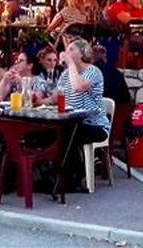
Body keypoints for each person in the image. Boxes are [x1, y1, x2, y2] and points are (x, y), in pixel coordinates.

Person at [58, 38, 110, 189]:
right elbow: (57, 95)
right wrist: (38, 98)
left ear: (82, 53)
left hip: (95, 125)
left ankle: (73, 179)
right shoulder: (66, 74)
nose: (67, 52)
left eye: (71, 49)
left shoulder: (93, 72)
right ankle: (60, 176)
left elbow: (77, 87)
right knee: (58, 131)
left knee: (69, 133)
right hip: (72, 122)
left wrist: (70, 64)